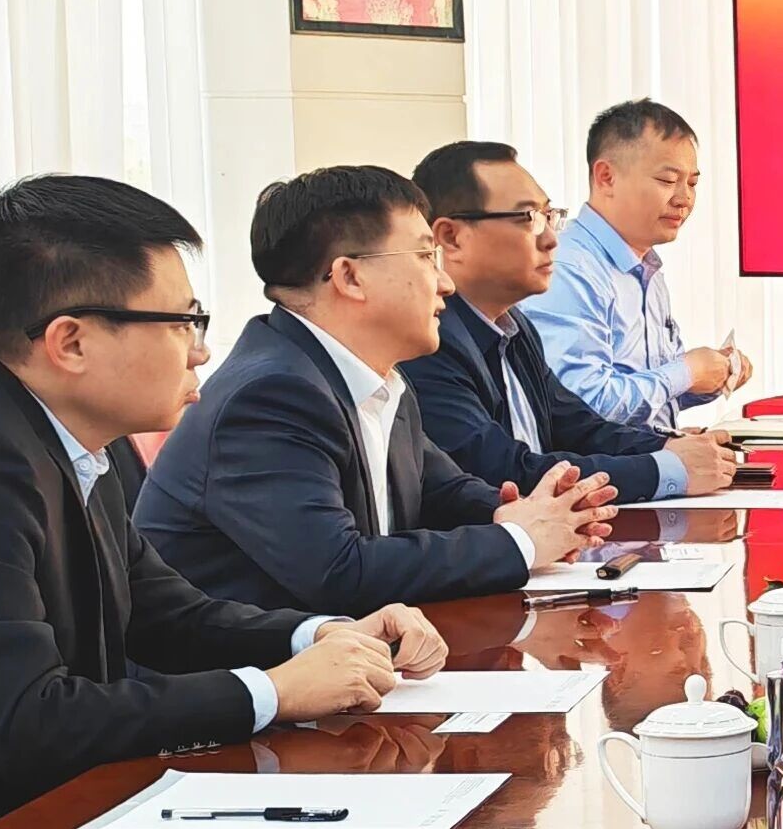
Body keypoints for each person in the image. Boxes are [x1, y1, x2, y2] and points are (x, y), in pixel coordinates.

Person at [0, 175, 443, 829]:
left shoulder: (57, 431)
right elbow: (32, 721)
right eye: (182, 322)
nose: (201, 350)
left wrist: (321, 635)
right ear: (71, 343)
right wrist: (274, 693)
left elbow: (165, 615)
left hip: (33, 825)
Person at [137, 164, 615, 612]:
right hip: (249, 666)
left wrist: (533, 514)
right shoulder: (269, 396)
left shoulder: (379, 378)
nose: (446, 282)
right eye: (426, 256)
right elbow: (339, 572)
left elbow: (442, 491)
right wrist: (519, 540)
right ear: (350, 276)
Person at [406, 139, 739, 500]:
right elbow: (506, 472)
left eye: (549, 216)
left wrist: (668, 447)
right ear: (451, 237)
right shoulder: (429, 342)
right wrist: (665, 469)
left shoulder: (514, 327)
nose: (552, 239)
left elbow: (580, 427)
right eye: (528, 218)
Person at [515, 98, 751, 433]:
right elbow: (584, 408)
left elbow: (647, 394)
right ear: (606, 177)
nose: (684, 199)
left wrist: (711, 376)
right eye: (667, 180)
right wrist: (686, 372)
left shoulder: (647, 267)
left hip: (646, 454)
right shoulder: (569, 269)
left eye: (692, 183)